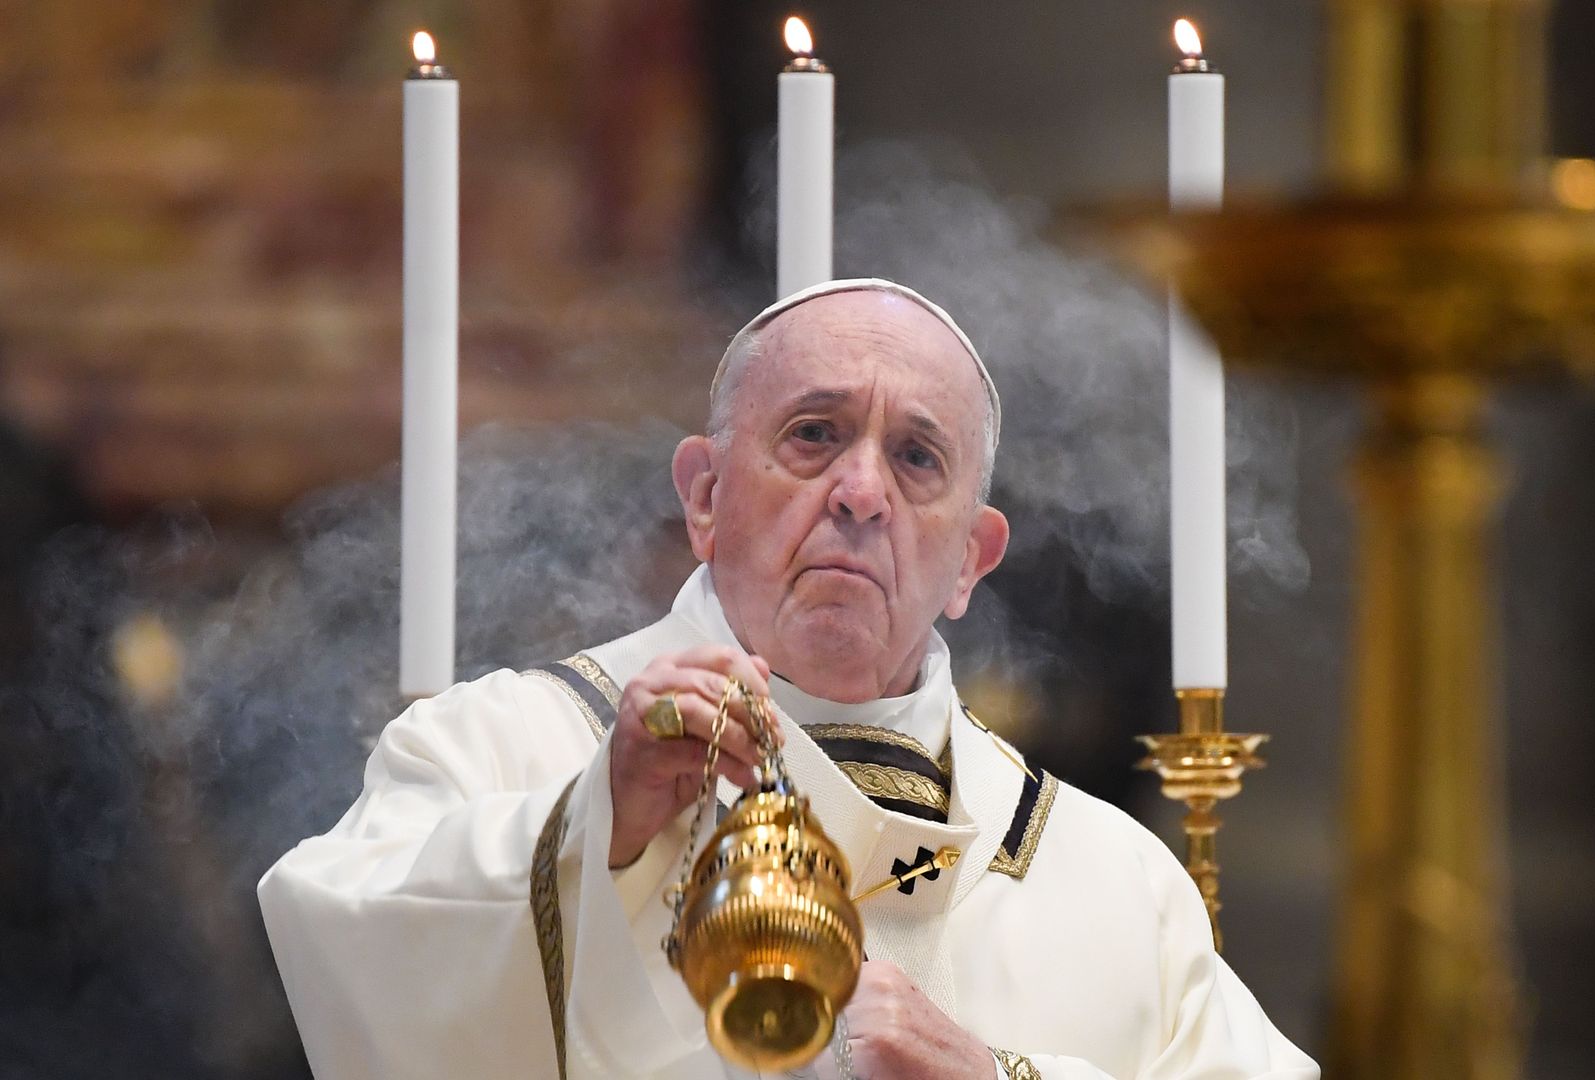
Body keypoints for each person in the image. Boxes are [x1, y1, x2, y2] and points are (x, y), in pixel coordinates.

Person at [258, 278, 1319, 1080]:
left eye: (916, 459)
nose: (861, 492)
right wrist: (595, 828)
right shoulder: (502, 748)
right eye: (814, 435)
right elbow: (341, 942)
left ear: (970, 562)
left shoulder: (1112, 884)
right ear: (705, 496)